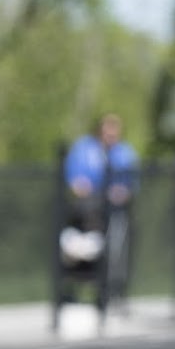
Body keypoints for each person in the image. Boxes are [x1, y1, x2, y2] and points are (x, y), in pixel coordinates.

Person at [61, 114, 140, 304]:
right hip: (85, 211)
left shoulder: (125, 153)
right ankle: (71, 289)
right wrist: (80, 186)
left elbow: (132, 183)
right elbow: (74, 178)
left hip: (114, 212)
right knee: (74, 249)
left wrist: (122, 192)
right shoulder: (84, 149)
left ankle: (111, 291)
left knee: (114, 250)